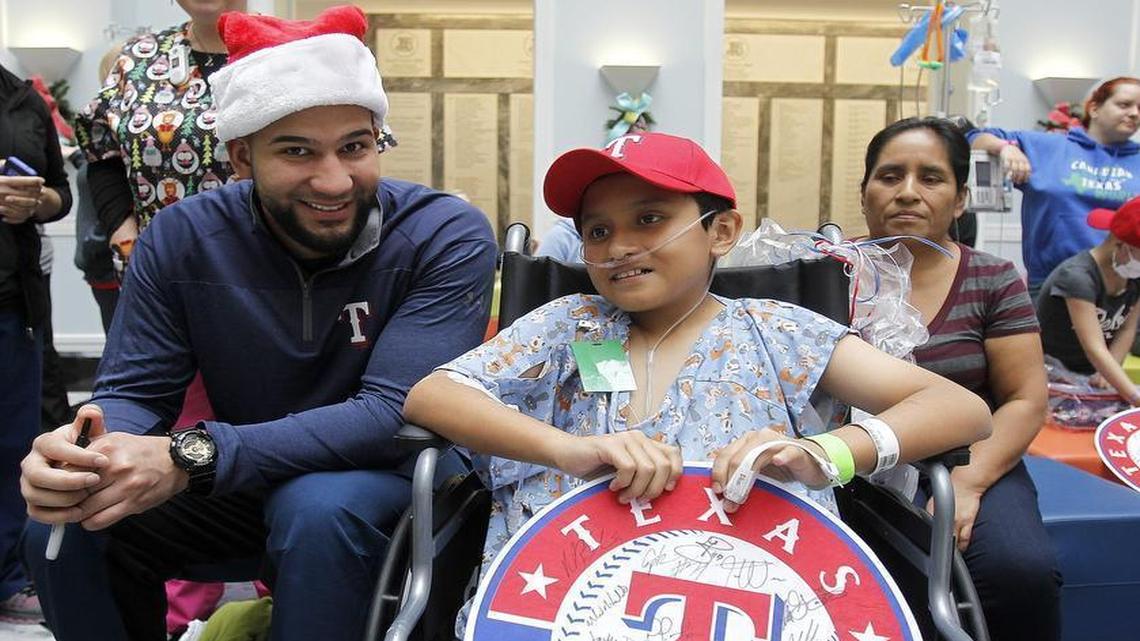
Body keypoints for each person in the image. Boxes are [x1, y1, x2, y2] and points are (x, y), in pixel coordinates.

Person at [19, 6, 497, 641]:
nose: (333, 180)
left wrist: (192, 456)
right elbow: (135, 393)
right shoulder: (184, 237)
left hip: (391, 479)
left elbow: (392, 413)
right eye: (297, 152)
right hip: (243, 476)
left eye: (354, 147)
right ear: (242, 158)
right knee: (74, 515)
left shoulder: (441, 233)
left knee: (318, 508)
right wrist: (94, 456)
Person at [403, 131, 992, 637]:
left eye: (650, 219)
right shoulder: (568, 328)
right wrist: (570, 450)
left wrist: (826, 453)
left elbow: (958, 407)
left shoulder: (777, 331)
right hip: (561, 606)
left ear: (723, 230)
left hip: (756, 604)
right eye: (597, 231)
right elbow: (432, 394)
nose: (619, 247)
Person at [862, 116, 1061, 641]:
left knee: (1019, 572)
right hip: (854, 459)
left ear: (959, 200)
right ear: (863, 193)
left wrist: (969, 487)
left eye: (930, 178)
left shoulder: (992, 280)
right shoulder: (827, 272)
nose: (908, 193)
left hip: (968, 458)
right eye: (889, 176)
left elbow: (1025, 400)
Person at [75, 0, 247, 276]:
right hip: (159, 269)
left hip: (263, 269)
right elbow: (103, 150)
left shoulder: (285, 51)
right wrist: (122, 232)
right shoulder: (138, 58)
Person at [0, 62, 72, 622]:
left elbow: (59, 196)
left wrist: (35, 201)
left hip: (11, 300)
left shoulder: (23, 99)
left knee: (11, 444)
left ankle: (7, 579)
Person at [968, 77, 1140, 298]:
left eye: (1139, 108)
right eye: (1124, 104)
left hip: (1125, 288)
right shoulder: (1046, 146)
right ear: (1095, 109)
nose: (1135, 113)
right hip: (1051, 284)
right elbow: (972, 137)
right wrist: (1005, 148)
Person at [1036, 197, 1140, 404]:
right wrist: (1135, 396)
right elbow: (1094, 346)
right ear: (1119, 245)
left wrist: (1109, 372)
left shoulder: (1134, 276)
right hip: (1053, 371)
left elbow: (1128, 328)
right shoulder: (1077, 277)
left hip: (1094, 371)